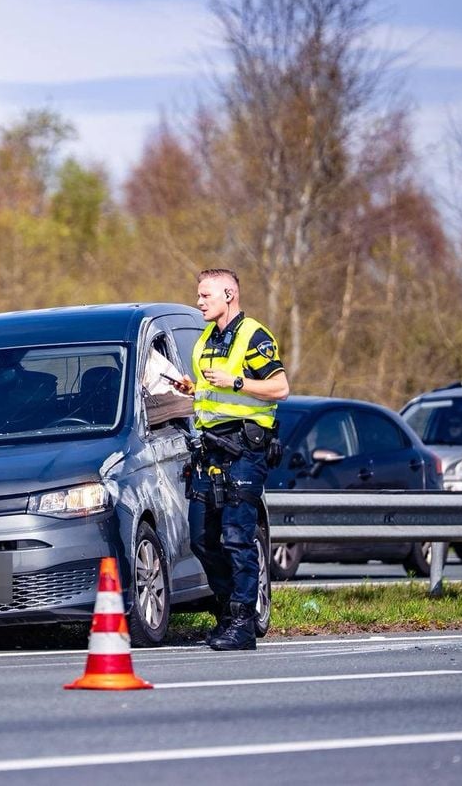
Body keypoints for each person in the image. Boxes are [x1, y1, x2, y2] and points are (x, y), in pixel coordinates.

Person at [170, 268, 289, 651]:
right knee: (201, 537)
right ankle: (227, 612)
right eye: (199, 295)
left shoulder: (254, 335)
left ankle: (242, 623)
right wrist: (192, 388)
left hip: (244, 450)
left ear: (228, 294)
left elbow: (280, 388)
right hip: (210, 451)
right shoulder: (205, 339)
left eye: (205, 295)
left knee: (238, 538)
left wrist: (236, 381)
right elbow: (212, 393)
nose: (199, 302)